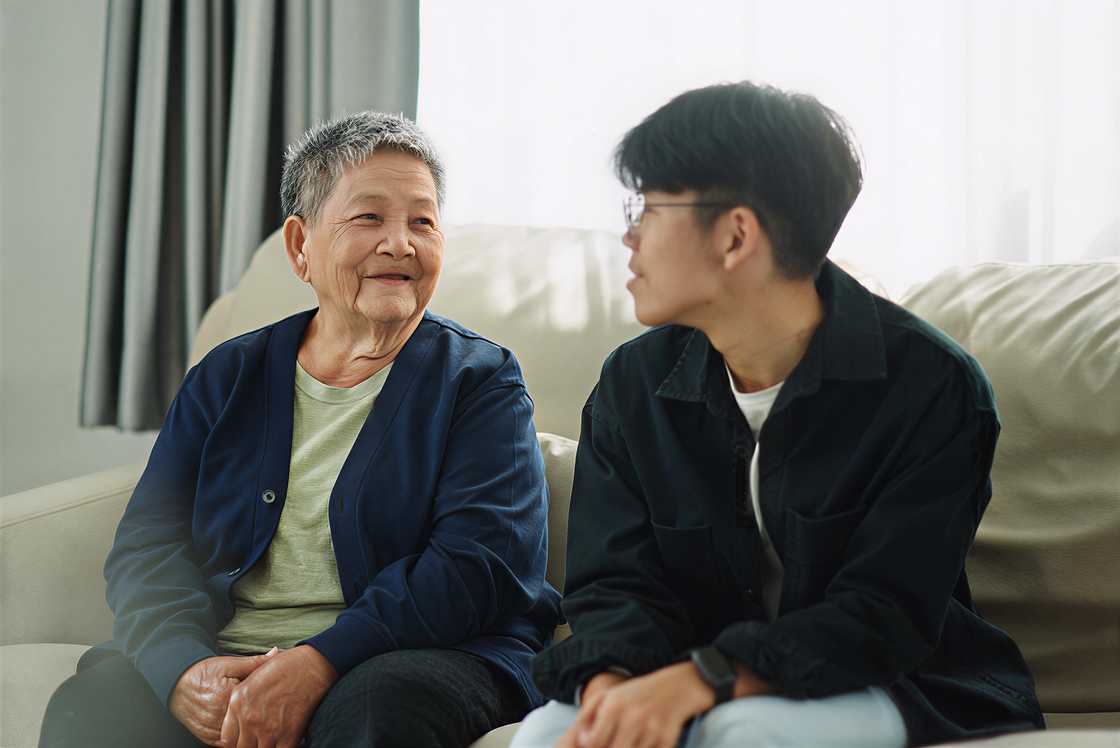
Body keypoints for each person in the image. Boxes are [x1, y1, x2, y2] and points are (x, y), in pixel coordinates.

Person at [513, 82, 1044, 748]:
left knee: (746, 732)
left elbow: (884, 615)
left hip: (892, 681)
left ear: (735, 236)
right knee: (547, 735)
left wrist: (706, 678)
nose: (628, 236)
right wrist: (611, 687)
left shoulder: (932, 388)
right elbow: (613, 585)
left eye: (647, 207)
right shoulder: (633, 384)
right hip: (677, 673)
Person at [40, 111, 561, 748]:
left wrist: (320, 662)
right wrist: (182, 669)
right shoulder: (227, 375)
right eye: (369, 217)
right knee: (99, 701)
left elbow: (482, 564)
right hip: (230, 652)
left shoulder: (481, 380)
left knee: (381, 705)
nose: (401, 243)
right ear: (300, 246)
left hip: (411, 658)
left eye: (422, 221)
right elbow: (149, 545)